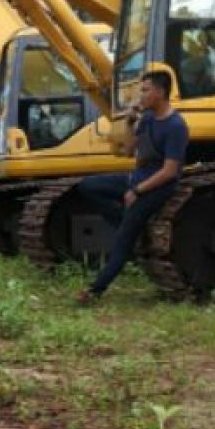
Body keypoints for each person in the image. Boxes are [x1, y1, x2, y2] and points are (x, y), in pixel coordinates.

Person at [75, 71, 189, 303]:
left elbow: (169, 171)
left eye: (146, 90)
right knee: (87, 186)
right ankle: (126, 223)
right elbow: (128, 150)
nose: (141, 95)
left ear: (160, 92)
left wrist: (138, 191)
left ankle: (94, 290)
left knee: (122, 241)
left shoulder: (176, 126)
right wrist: (129, 121)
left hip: (157, 185)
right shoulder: (147, 118)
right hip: (136, 177)